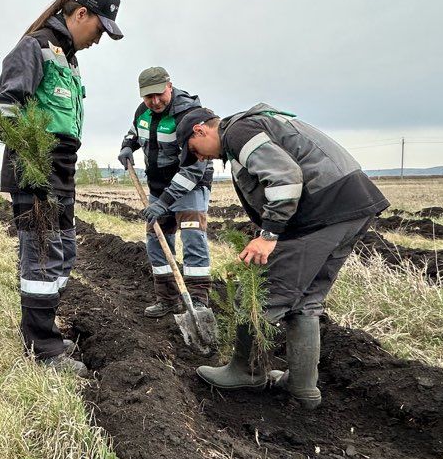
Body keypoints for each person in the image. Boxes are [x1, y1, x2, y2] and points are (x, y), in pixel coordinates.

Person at [178, 104, 387, 408]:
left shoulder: (237, 132)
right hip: (350, 207)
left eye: (193, 149)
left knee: (260, 298)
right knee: (306, 300)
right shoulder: (255, 127)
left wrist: (269, 235)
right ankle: (303, 387)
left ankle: (246, 371)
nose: (199, 157)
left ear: (201, 130)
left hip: (320, 212)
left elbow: (286, 177)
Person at [0, 0, 123, 376]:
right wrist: (34, 163)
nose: (99, 40)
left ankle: (43, 330)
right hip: (37, 169)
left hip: (63, 168)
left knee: (64, 252)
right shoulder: (35, 47)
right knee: (42, 257)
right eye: (100, 30)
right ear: (80, 13)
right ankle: (42, 349)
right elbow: (4, 111)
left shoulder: (67, 57)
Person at [117, 68, 214, 318]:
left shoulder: (190, 115)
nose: (155, 101)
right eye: (148, 97)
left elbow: (194, 169)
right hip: (158, 188)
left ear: (169, 86)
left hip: (190, 187)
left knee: (193, 238)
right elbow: (135, 132)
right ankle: (168, 299)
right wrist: (127, 146)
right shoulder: (143, 112)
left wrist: (165, 202)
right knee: (156, 241)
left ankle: (198, 303)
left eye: (159, 94)